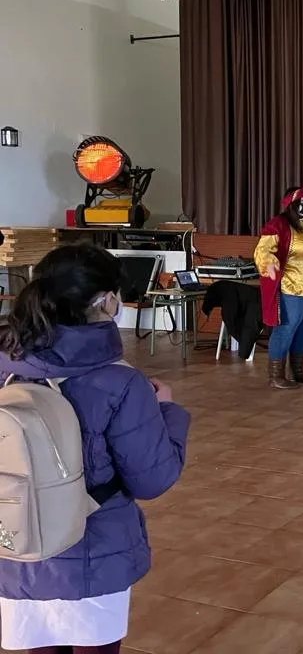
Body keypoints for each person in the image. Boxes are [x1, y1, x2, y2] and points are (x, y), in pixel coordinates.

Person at [0, 244, 189, 654]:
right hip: (93, 549)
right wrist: (167, 411)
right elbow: (153, 478)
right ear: (107, 301)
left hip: (14, 545)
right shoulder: (121, 384)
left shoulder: (6, 368)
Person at [254, 186, 303, 390]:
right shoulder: (279, 224)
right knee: (286, 328)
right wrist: (269, 263)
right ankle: (276, 375)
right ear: (293, 204)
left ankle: (297, 370)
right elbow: (263, 250)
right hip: (291, 287)